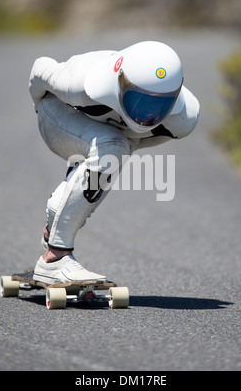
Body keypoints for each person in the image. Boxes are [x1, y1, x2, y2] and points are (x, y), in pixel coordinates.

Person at [29, 41, 200, 284]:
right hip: (56, 115)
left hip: (112, 138)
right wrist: (40, 110)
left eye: (158, 104)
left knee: (109, 156)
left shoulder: (183, 120)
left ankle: (53, 227)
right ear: (120, 82)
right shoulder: (80, 80)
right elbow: (39, 69)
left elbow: (135, 141)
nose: (146, 113)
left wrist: (109, 155)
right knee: (113, 147)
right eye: (138, 99)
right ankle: (55, 259)